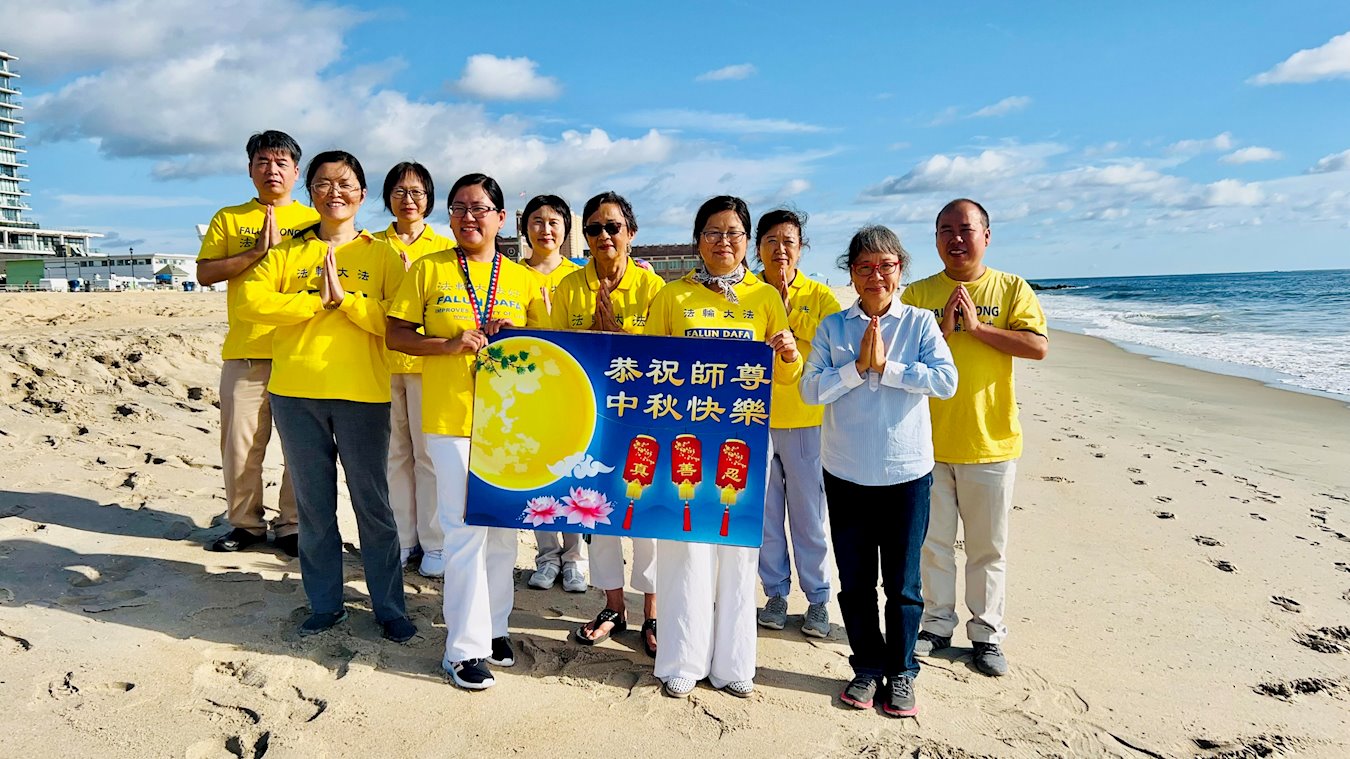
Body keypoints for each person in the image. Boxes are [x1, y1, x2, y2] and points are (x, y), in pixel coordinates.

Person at [237, 150, 415, 643]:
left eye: (345, 184)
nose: (334, 192)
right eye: (323, 183)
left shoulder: (382, 255)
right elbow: (252, 304)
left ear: (362, 194)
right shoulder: (286, 252)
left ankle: (389, 607)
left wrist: (347, 301)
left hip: (363, 396)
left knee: (373, 506)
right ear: (310, 192)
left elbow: (397, 322)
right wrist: (313, 300)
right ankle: (324, 603)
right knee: (314, 508)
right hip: (296, 394)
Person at [386, 173, 547, 690]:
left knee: (503, 530)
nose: (468, 217)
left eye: (479, 208)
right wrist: (448, 345)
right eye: (458, 208)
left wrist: (516, 335)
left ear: (501, 218)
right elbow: (396, 334)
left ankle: (495, 628)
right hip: (451, 418)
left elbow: (549, 346)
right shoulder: (429, 269)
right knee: (462, 530)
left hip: (511, 424)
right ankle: (462, 649)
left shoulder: (523, 279)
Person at [645, 195, 801, 699]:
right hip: (685, 439)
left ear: (747, 241)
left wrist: (790, 354)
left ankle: (734, 663)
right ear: (698, 240)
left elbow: (787, 375)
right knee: (685, 545)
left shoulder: (765, 297)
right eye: (713, 232)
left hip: (745, 440)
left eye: (734, 232)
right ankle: (681, 657)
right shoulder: (672, 296)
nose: (724, 241)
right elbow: (649, 365)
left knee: (736, 551)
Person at [802, 225, 957, 718]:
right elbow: (810, 390)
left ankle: (903, 669)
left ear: (900, 271)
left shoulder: (920, 324)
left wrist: (888, 369)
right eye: (864, 267)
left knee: (904, 584)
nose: (875, 276)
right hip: (845, 472)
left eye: (886, 266)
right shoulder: (833, 327)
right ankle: (867, 665)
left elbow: (946, 381)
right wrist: (856, 370)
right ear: (851, 273)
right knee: (855, 581)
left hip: (907, 473)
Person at [901, 199, 1048, 678]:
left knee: (988, 548)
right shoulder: (918, 293)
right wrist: (943, 329)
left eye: (965, 229)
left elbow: (1037, 346)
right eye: (945, 230)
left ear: (986, 235)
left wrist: (980, 328)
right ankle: (936, 625)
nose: (956, 239)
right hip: (927, 442)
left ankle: (986, 634)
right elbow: (899, 360)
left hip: (991, 441)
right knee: (933, 545)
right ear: (935, 239)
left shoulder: (1011, 288)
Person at [551, 191, 666, 656]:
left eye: (612, 227)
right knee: (598, 514)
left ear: (631, 233)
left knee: (646, 516)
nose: (603, 236)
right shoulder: (568, 288)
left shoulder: (653, 288)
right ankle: (613, 607)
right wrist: (592, 339)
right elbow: (559, 355)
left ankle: (652, 611)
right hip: (593, 421)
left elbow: (666, 357)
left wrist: (619, 340)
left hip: (643, 421)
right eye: (594, 229)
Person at [197, 130, 318, 557]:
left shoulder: (313, 219)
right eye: (263, 162)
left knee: (300, 449)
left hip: (301, 351)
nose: (272, 170)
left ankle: (292, 525)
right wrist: (256, 253)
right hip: (246, 351)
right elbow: (205, 273)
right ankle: (245, 524)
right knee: (241, 446)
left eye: (282, 163)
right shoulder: (230, 218)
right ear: (250, 169)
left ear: (297, 172)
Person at [752, 209, 841, 639]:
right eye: (771, 241)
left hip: (807, 421)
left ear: (801, 248)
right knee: (766, 517)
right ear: (758, 248)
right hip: (754, 421)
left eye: (788, 241)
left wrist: (790, 316)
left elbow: (836, 344)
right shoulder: (747, 292)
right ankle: (775, 593)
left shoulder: (820, 295)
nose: (780, 250)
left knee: (809, 516)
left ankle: (818, 599)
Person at [372, 162, 454, 578]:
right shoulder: (371, 244)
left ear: (429, 199)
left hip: (429, 364)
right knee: (393, 455)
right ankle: (403, 539)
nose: (408, 200)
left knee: (428, 456)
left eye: (417, 192)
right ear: (388, 196)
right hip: (383, 362)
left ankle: (435, 542)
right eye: (400, 191)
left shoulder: (444, 249)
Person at [519, 194, 587, 593]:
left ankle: (574, 558)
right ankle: (546, 556)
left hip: (572, 390)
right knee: (538, 473)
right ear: (525, 228)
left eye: (554, 222)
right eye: (537, 221)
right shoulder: (512, 275)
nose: (545, 230)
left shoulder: (579, 276)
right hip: (529, 392)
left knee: (573, 469)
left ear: (566, 229)